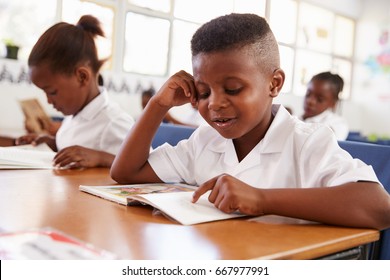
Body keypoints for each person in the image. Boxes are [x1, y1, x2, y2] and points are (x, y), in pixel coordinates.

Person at [110, 13, 390, 230]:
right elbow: (126, 173)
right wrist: (158, 105)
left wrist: (261, 199)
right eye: (204, 92)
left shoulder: (306, 141)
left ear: (274, 83)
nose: (215, 103)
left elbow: (379, 207)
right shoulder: (205, 141)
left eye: (232, 89)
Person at [15, 15, 134, 168]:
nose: (49, 101)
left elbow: (144, 167)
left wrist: (100, 158)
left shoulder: (114, 122)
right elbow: (78, 146)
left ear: (82, 77)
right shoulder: (74, 115)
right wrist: (52, 143)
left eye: (52, 92)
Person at [301, 72, 349, 140]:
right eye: (308, 94)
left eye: (320, 99)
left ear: (333, 103)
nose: (310, 101)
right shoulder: (297, 118)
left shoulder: (338, 124)